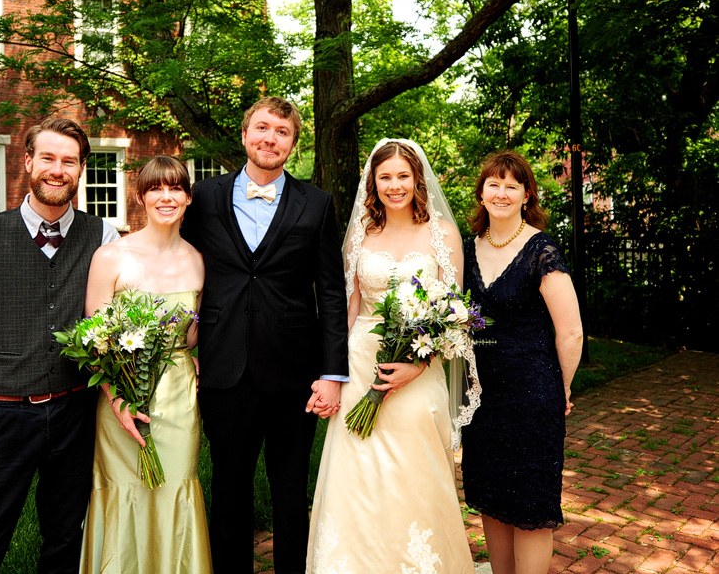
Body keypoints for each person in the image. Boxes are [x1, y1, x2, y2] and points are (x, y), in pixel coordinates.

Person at [179, 96, 349, 574]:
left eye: (282, 132)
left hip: (295, 371)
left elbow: (331, 294)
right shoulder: (205, 197)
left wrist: (332, 372)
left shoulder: (316, 204)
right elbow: (180, 270)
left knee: (291, 489)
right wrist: (183, 346)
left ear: (292, 145)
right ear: (245, 134)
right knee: (229, 488)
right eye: (262, 128)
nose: (270, 138)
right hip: (223, 365)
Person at [0, 117, 120, 573]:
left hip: (76, 412)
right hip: (5, 413)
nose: (57, 169)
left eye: (69, 161)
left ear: (81, 169)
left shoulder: (103, 237)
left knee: (66, 537)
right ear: (28, 162)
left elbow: (123, 316)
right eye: (48, 158)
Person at [306, 138, 480, 574]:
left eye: (403, 176)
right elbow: (347, 305)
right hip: (362, 363)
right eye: (385, 177)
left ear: (417, 180)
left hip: (420, 370)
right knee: (357, 477)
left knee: (413, 474)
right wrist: (331, 373)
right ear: (373, 181)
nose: (395, 185)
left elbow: (454, 312)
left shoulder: (442, 234)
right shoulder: (363, 231)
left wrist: (415, 365)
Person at [79, 155, 211, 573]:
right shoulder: (111, 257)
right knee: (124, 491)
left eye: (175, 188)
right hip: (120, 396)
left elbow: (192, 337)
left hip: (178, 397)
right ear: (141, 197)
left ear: (189, 198)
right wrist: (119, 402)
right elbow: (94, 342)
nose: (166, 197)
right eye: (156, 188)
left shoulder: (197, 259)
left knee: (175, 486)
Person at [460, 150, 583, 574]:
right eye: (494, 183)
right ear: (481, 192)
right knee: (492, 498)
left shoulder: (540, 250)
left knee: (530, 505)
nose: (502, 192)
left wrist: (561, 387)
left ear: (526, 194)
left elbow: (570, 331)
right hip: (481, 398)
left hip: (532, 395)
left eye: (512, 185)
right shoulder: (465, 249)